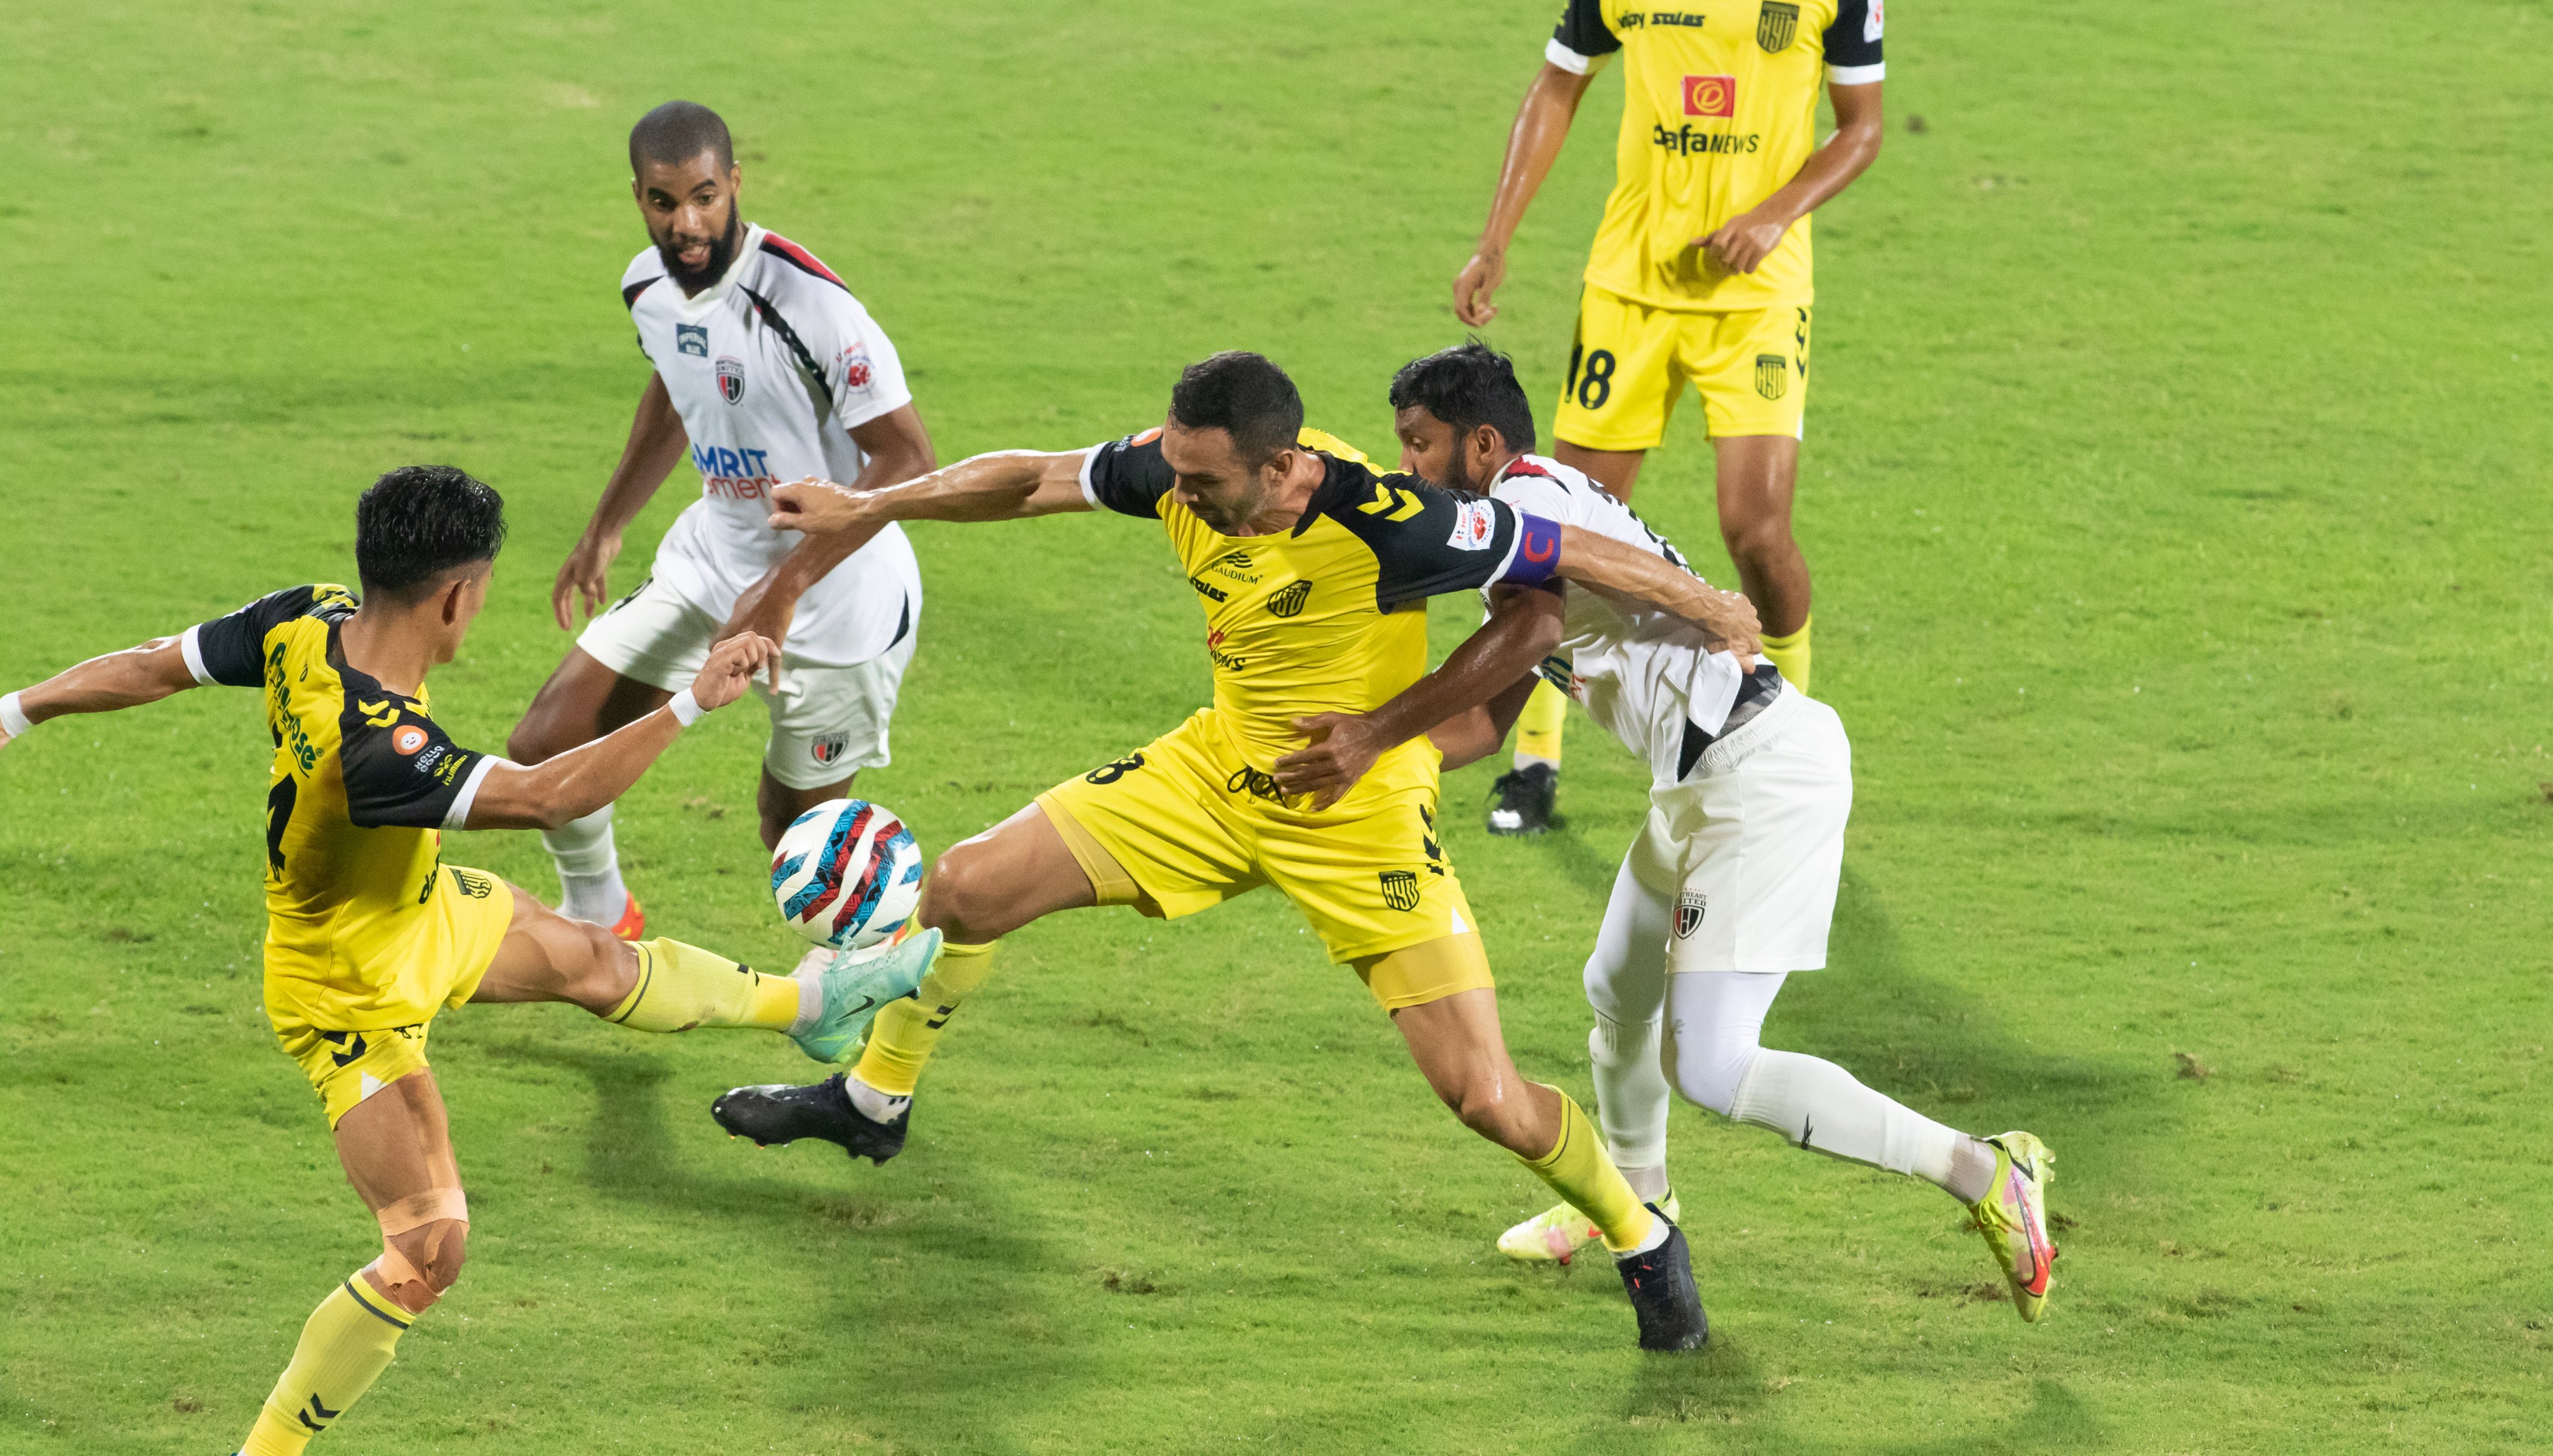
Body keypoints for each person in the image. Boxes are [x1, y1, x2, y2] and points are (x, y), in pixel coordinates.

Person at [710, 352, 1766, 1350]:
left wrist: (1712, 603)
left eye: (1203, 479)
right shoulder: (1173, 474)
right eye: (1173, 468)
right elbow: (1033, 480)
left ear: (1278, 465)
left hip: (1358, 810)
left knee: (1485, 1097)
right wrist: (873, 504)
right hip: (1214, 776)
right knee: (964, 887)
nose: (1179, 494)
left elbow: (1564, 559)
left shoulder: (1384, 517)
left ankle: (1643, 1236)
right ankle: (872, 1102)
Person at [0, 466, 940, 1455]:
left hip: (417, 909)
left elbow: (158, 663)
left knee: (593, 963)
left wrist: (15, 710)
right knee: (426, 1251)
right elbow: (547, 797)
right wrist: (694, 705)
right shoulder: (377, 747)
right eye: (483, 590)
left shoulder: (304, 619)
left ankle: (813, 1004)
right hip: (347, 994)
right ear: (457, 594)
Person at [1272, 343, 2055, 1321]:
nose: (1408, 472)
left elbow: (1533, 636)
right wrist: (1362, 764)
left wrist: (1376, 732)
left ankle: (1985, 1171)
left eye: (1420, 447)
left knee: (1714, 1067)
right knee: (1616, 989)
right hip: (1700, 781)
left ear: (1481, 443)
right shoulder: (1519, 542)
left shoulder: (1531, 499)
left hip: (1761, 777)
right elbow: (1483, 720)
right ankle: (1634, 1207)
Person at [1449, 0, 1885, 836]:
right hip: (1630, 287)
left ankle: (1790, 724)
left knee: (1757, 528)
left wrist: (1779, 209)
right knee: (1568, 529)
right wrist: (1496, 238)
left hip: (1756, 295)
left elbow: (1862, 128)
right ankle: (1536, 764)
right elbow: (1558, 87)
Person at [508, 100, 937, 937]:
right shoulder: (647, 286)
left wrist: (782, 590)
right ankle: (599, 913)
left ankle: (847, 1010)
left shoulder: (808, 304)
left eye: (705, 196)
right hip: (713, 564)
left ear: (735, 182)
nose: (688, 224)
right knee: (547, 742)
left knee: (801, 839)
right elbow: (676, 388)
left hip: (839, 602)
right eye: (664, 203)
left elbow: (908, 461)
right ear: (639, 198)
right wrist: (606, 523)